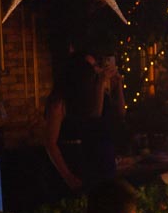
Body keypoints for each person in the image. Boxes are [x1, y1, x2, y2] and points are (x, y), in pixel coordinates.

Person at [44, 49, 124, 195]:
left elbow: (117, 114)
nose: (96, 70)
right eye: (91, 67)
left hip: (99, 163)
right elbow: (50, 143)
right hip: (75, 165)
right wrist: (68, 177)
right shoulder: (60, 102)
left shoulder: (91, 95)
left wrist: (117, 85)